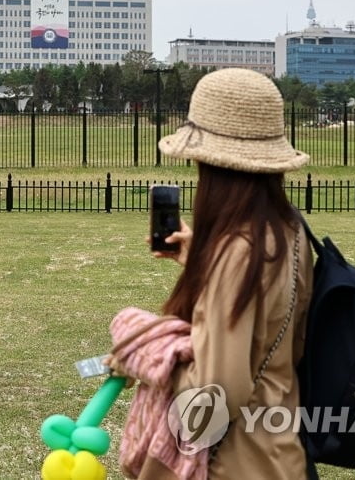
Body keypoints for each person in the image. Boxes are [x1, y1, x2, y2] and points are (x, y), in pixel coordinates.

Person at [108, 68, 317, 479]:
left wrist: (146, 357)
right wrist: (201, 263)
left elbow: (216, 394)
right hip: (279, 449)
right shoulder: (287, 231)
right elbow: (269, 327)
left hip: (233, 463)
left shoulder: (237, 249)